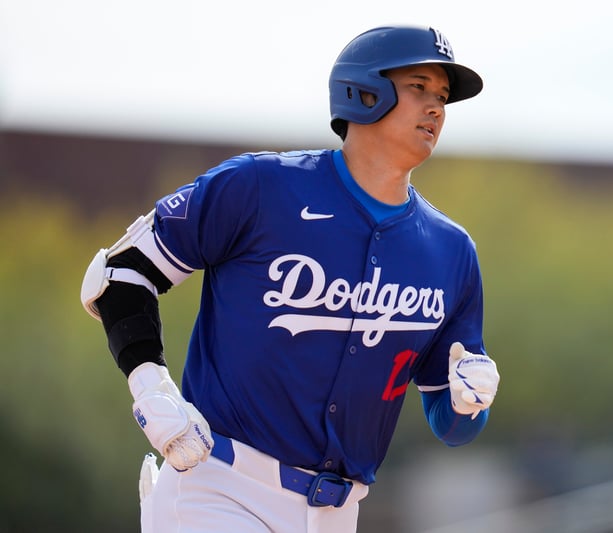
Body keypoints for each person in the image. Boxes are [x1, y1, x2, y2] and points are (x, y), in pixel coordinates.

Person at [80, 24, 500, 533]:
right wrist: (151, 387)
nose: (436, 107)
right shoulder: (260, 187)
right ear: (364, 91)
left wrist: (467, 402)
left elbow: (451, 427)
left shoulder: (451, 250)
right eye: (418, 87)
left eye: (443, 96)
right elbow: (120, 273)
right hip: (219, 492)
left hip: (339, 514)